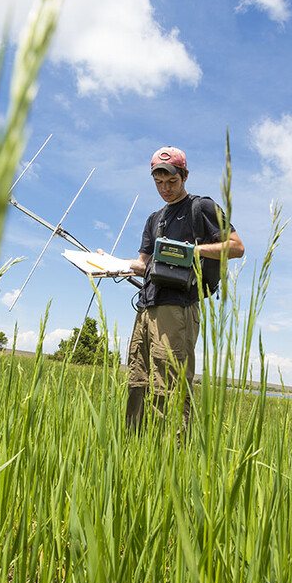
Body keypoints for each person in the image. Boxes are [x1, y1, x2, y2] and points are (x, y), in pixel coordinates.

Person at [125, 146, 245, 431]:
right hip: (146, 306)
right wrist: (108, 263)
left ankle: (172, 457)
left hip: (178, 308)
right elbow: (143, 264)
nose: (165, 188)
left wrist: (194, 251)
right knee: (137, 380)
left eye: (171, 181)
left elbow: (237, 247)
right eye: (158, 183)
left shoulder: (200, 207)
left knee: (170, 384)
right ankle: (133, 450)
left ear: (184, 175)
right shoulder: (154, 219)